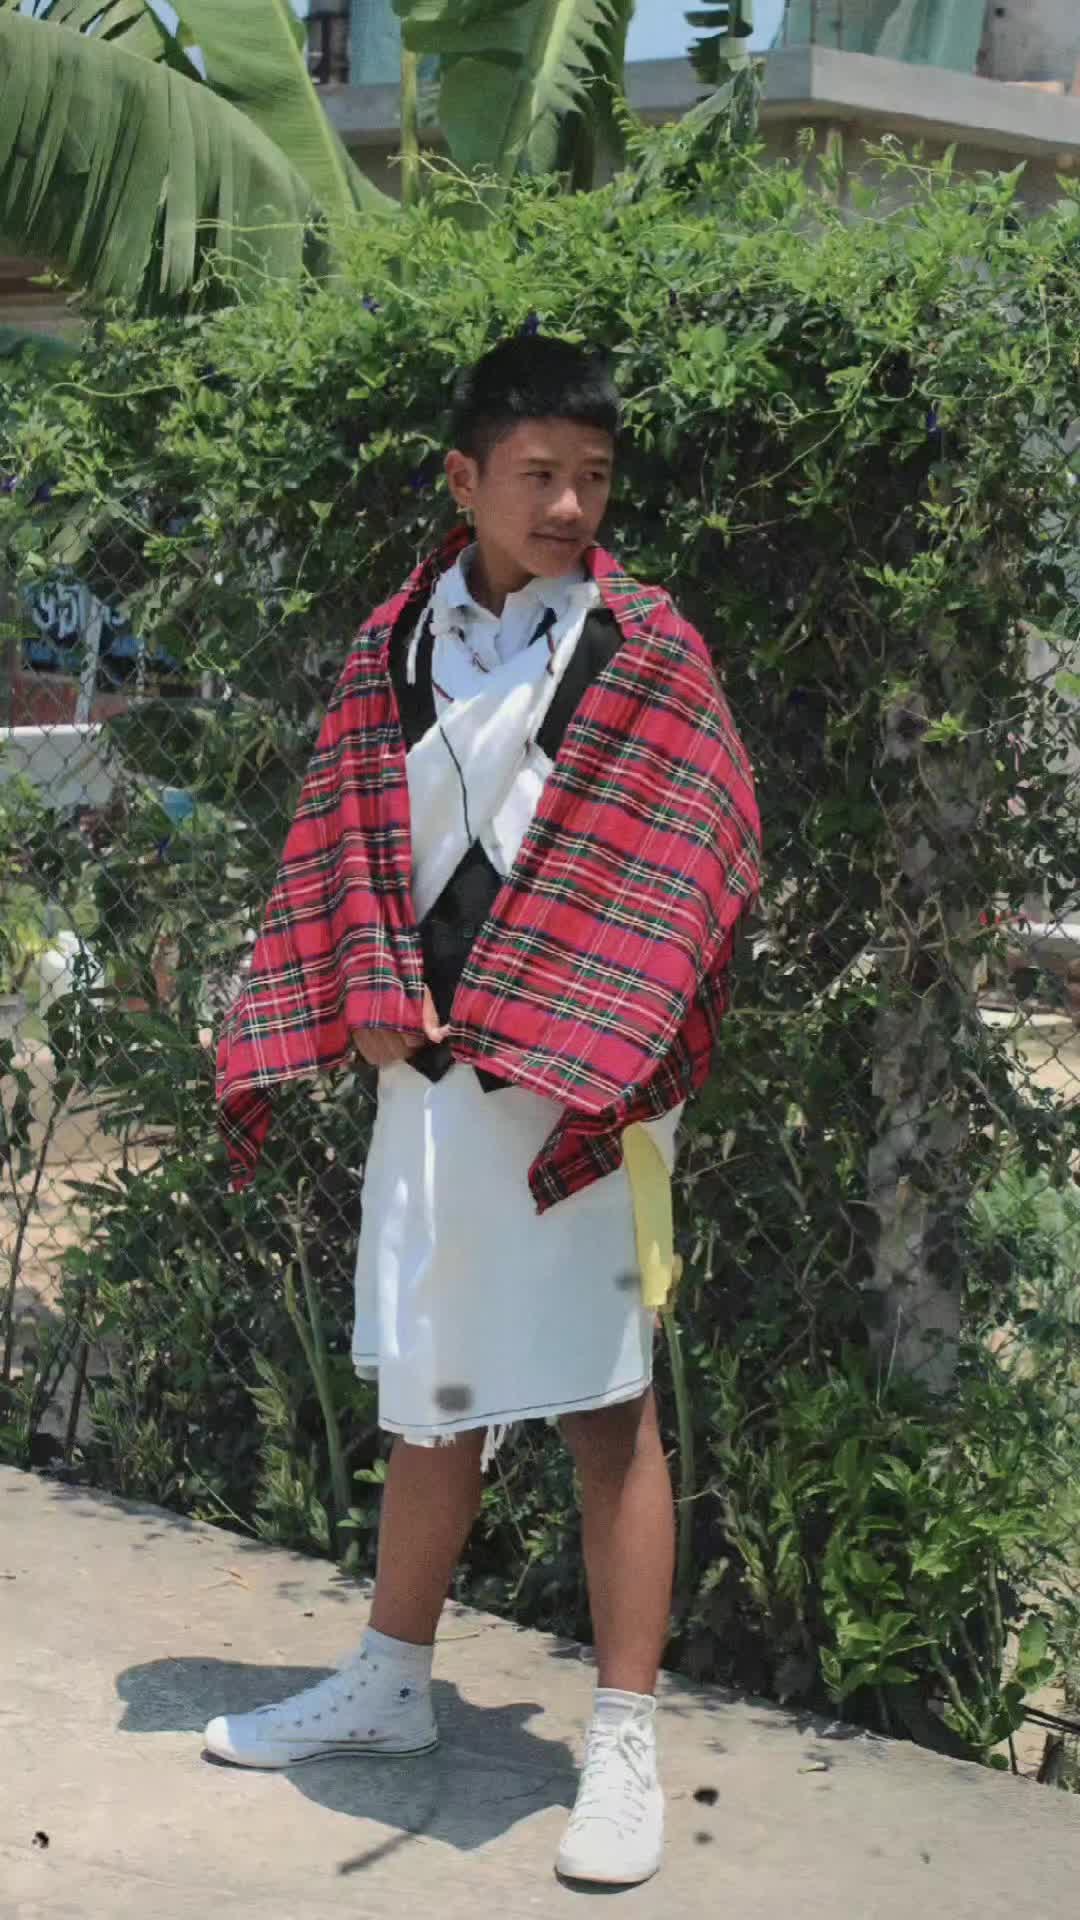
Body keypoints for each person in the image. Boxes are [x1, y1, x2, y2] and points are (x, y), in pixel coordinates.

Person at [209, 334, 761, 1887]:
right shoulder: (395, 643)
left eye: (593, 476)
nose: (570, 504)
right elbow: (345, 851)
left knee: (605, 1408)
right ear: (465, 479)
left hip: (583, 1087)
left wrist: (581, 1016)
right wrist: (363, 989)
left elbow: (700, 853)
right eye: (538, 475)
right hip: (431, 1078)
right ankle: (391, 1684)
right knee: (433, 1396)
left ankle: (624, 1743)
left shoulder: (646, 650)